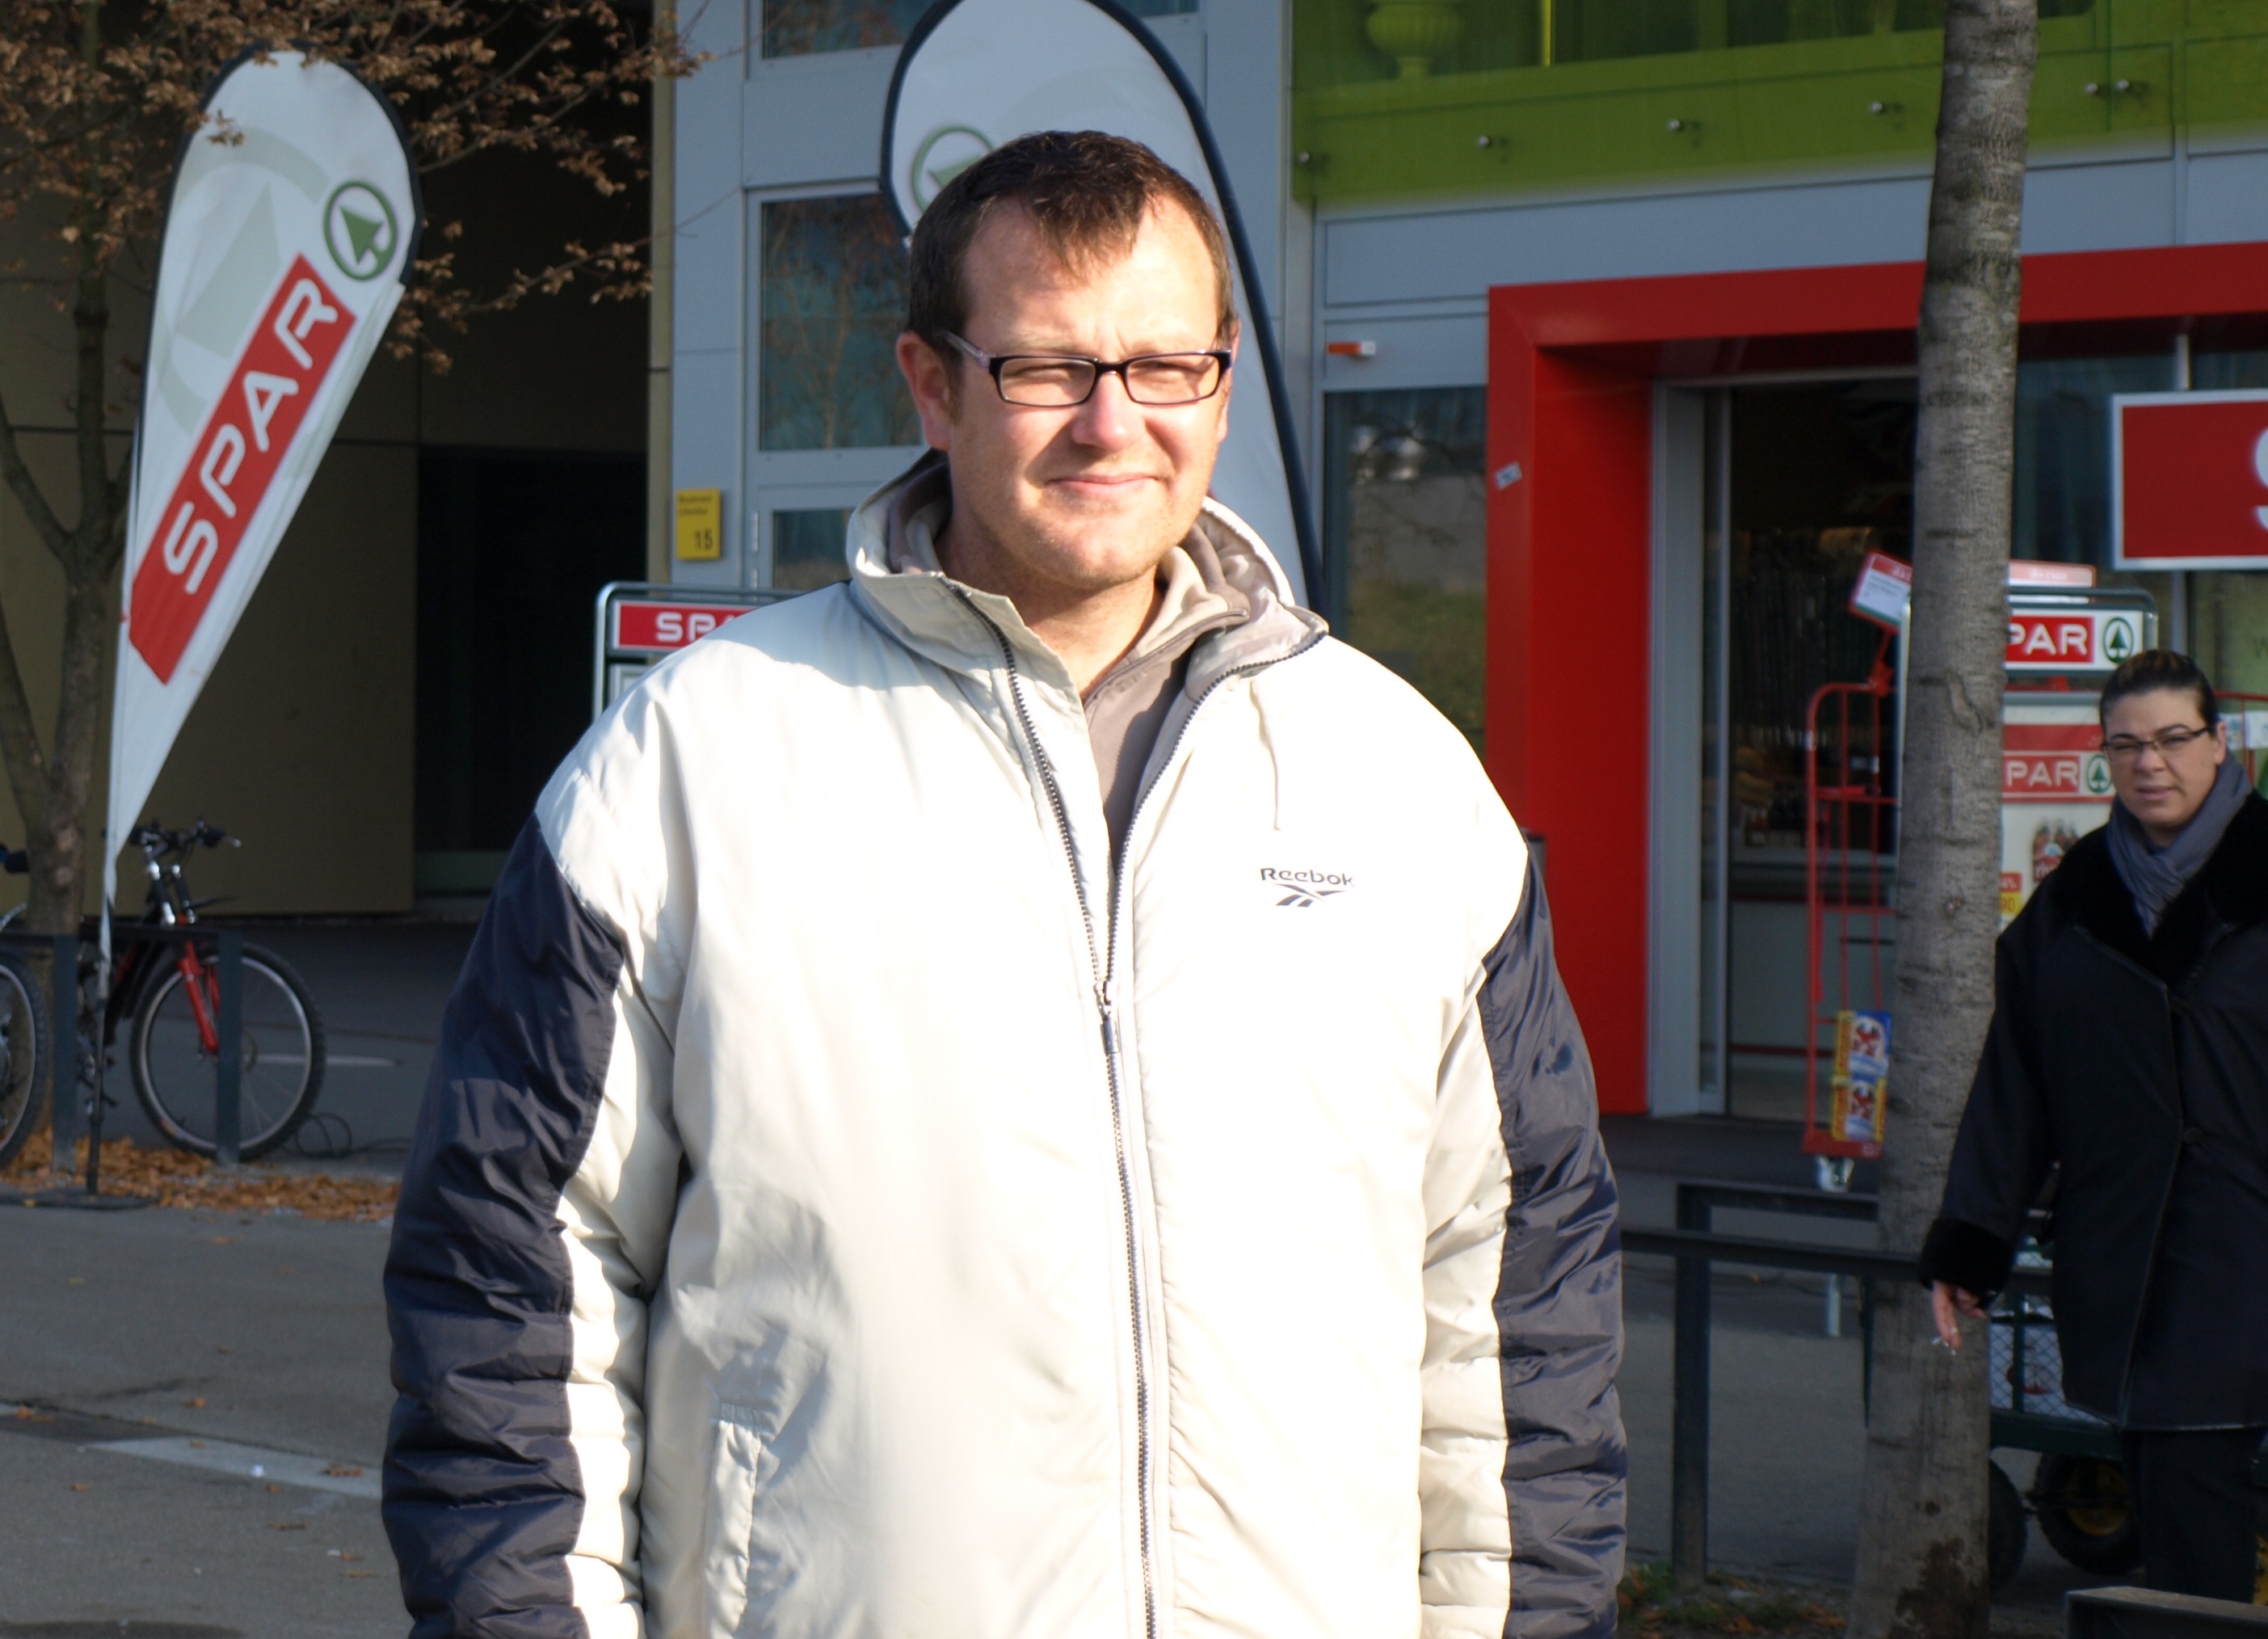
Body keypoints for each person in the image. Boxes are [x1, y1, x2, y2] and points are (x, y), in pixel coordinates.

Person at [381, 131, 1626, 1639]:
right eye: (1047, 367)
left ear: (1221, 385)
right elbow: (513, 1299)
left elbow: (1513, 1313)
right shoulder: (687, 768)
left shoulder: (1401, 783)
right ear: (931, 383)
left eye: (1165, 365)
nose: (1113, 422)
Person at [1921, 648, 2268, 1603]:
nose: (2149, 763)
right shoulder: (2071, 902)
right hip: (2128, 1262)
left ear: (2218, 742)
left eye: (2171, 738)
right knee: (2174, 1501)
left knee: (2193, 1506)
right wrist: (1971, 1239)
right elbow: (2014, 1082)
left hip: (2245, 1240)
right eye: (2125, 746)